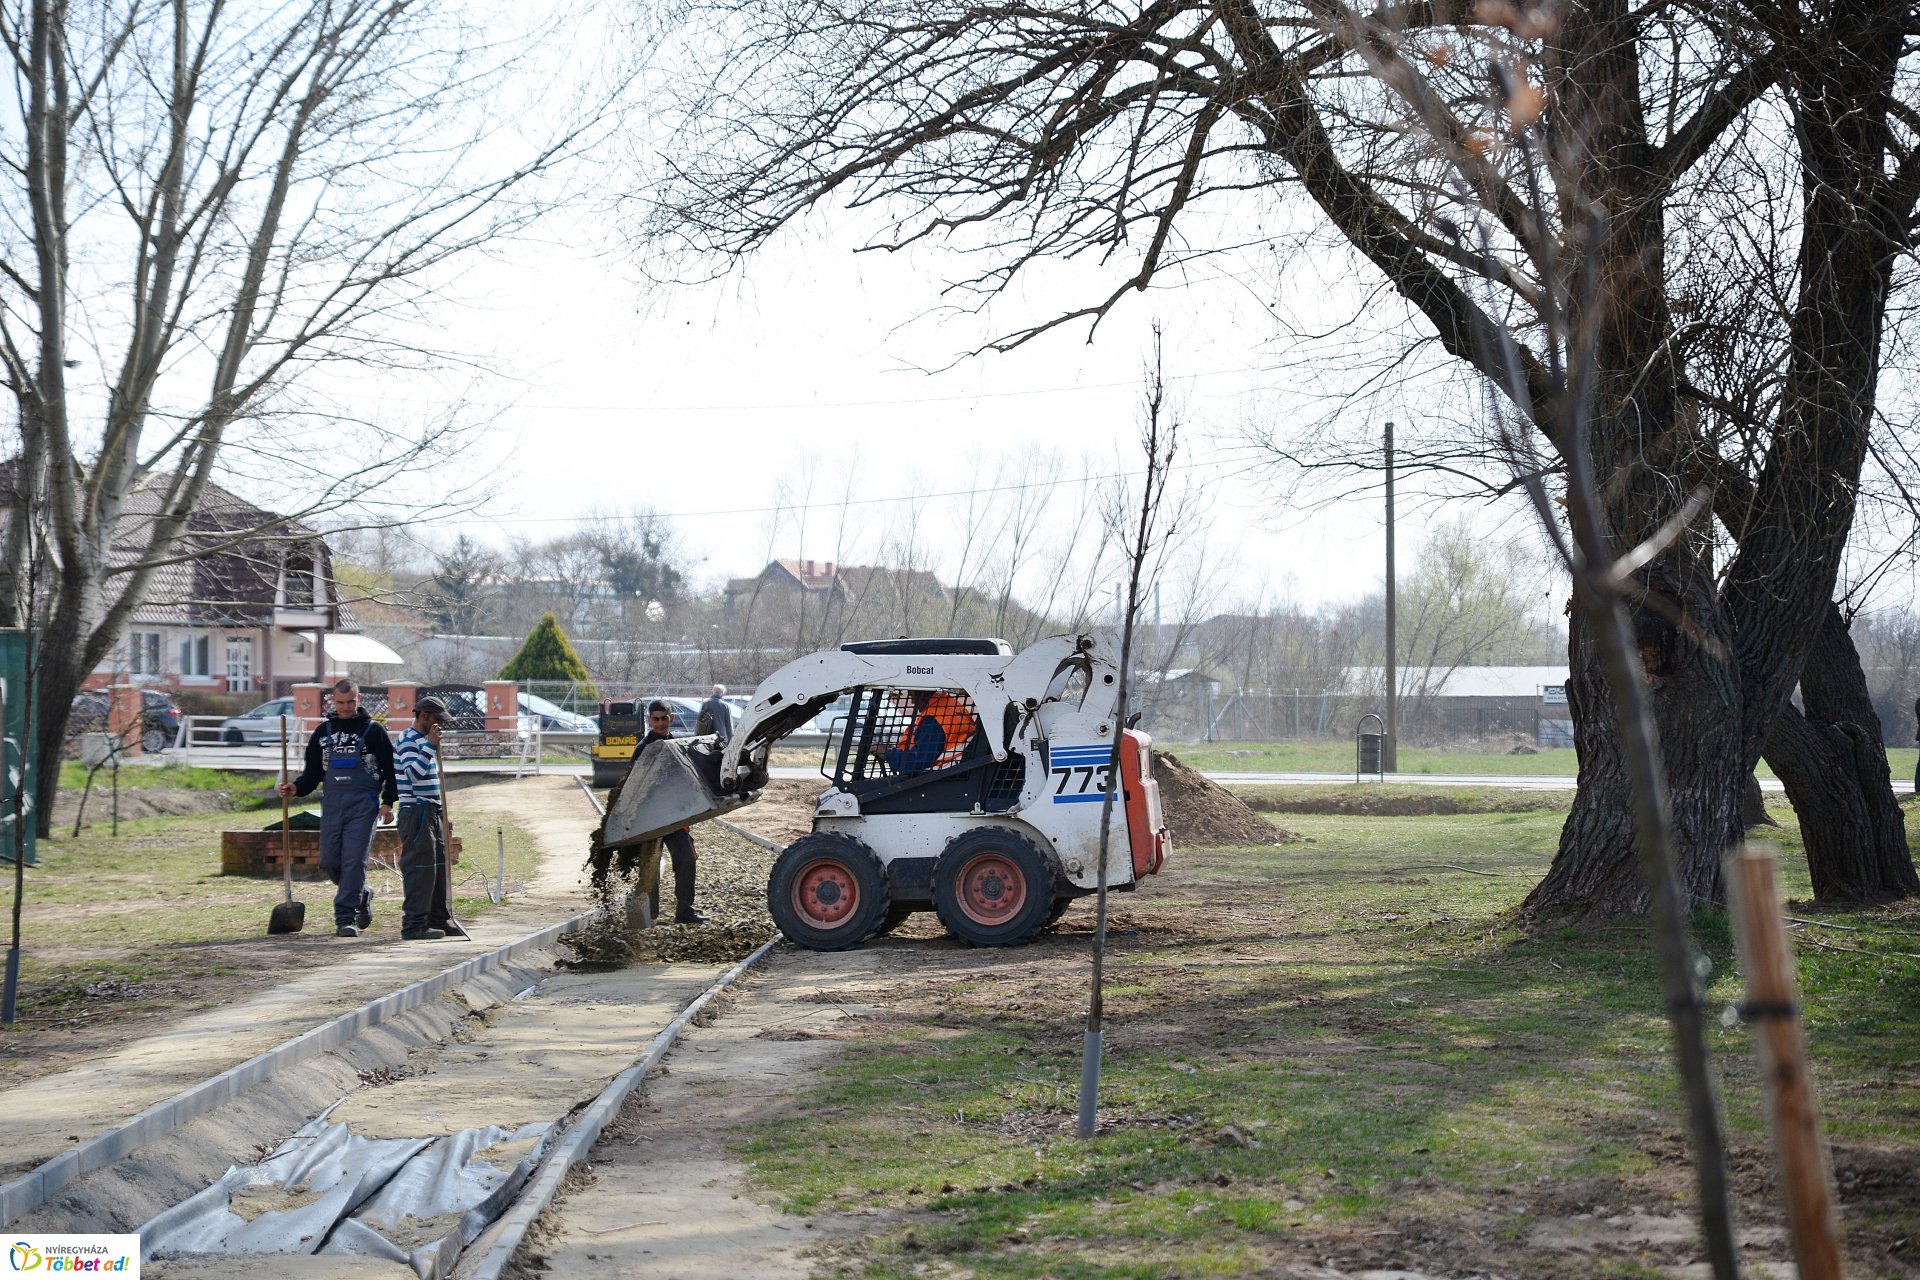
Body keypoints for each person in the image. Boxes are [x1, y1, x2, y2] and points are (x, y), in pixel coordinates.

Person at [279, 678, 396, 938]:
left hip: (363, 806)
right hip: (332, 806)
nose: (345, 707)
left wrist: (388, 801)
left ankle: (345, 918)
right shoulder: (323, 732)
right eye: (341, 702)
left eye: (350, 702)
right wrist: (295, 788)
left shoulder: (374, 731)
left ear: (359, 699)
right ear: (333, 700)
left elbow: (391, 769)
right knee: (331, 862)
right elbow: (312, 774)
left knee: (354, 862)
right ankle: (361, 893)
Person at [395, 695, 460, 941]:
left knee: (438, 869)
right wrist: (430, 745)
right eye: (437, 720)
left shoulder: (424, 741)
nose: (440, 725)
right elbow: (413, 774)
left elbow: (432, 782)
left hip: (432, 812)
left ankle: (438, 919)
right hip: (416, 812)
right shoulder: (408, 740)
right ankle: (414, 925)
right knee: (421, 870)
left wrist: (443, 812)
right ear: (423, 716)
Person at [642, 699, 706, 924]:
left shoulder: (679, 746)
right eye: (656, 719)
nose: (660, 723)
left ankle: (684, 912)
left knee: (687, 859)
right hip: (649, 820)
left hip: (675, 817)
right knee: (649, 866)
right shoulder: (643, 750)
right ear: (649, 720)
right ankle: (650, 914)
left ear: (672, 718)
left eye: (664, 718)